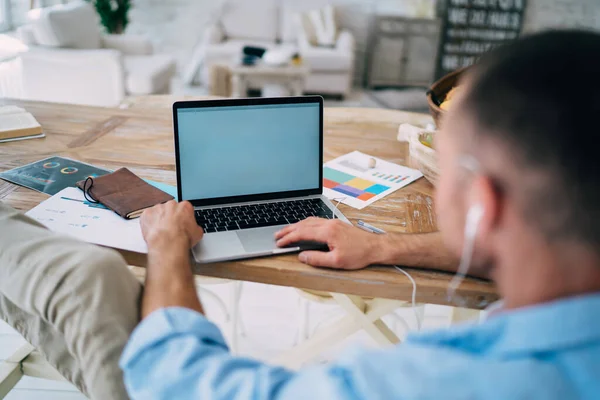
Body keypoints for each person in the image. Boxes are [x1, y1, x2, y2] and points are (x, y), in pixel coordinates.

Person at [0, 29, 598, 399]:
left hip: (164, 277)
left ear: (484, 205)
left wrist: (166, 248)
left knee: (80, 277)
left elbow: (175, 382)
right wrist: (383, 245)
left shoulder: (436, 383)